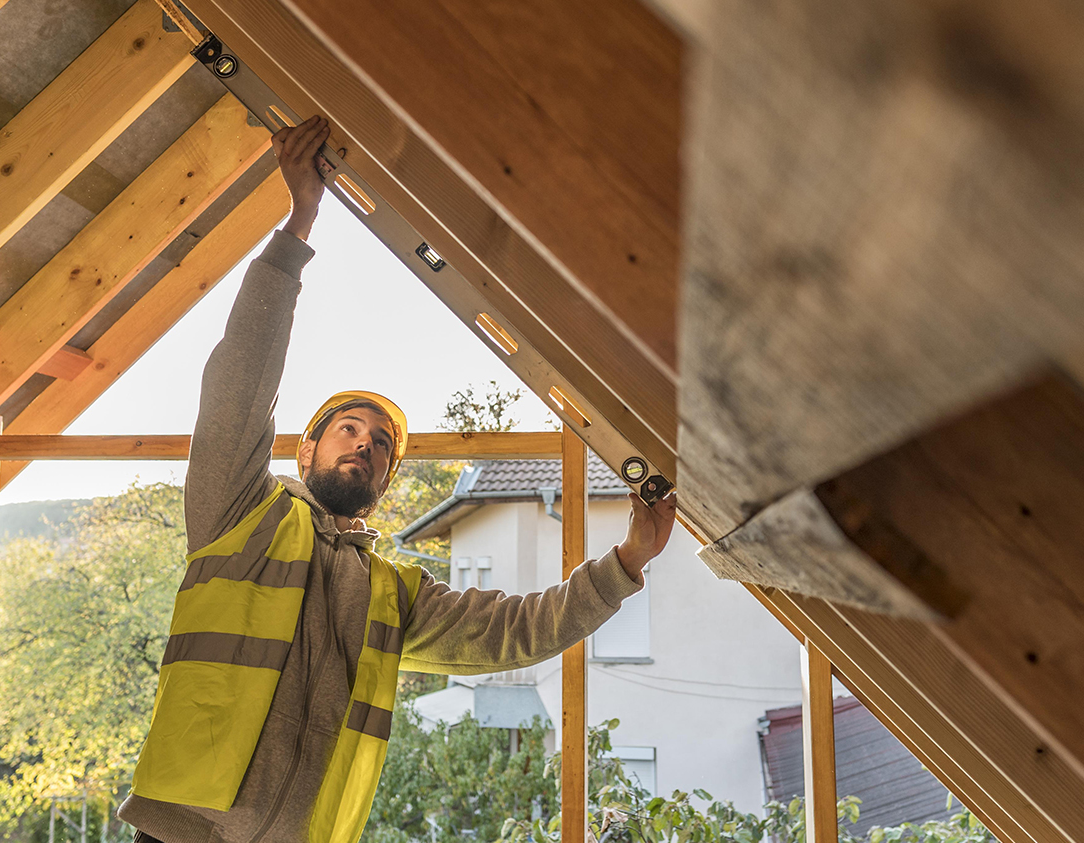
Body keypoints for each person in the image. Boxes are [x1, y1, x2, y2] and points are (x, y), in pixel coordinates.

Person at [118, 116, 679, 843]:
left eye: (381, 443)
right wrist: (298, 227)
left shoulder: (390, 594)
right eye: (348, 429)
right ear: (307, 447)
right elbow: (236, 387)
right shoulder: (238, 515)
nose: (366, 445)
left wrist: (630, 559)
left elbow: (515, 631)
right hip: (179, 832)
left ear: (384, 480)